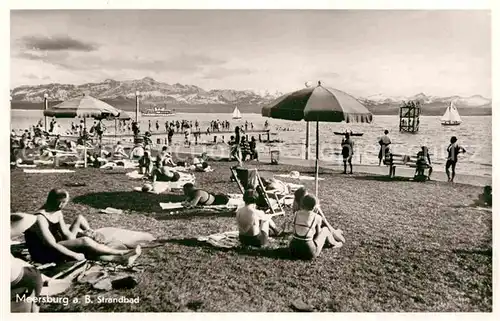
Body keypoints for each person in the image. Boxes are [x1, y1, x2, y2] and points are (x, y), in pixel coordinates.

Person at [23, 189, 141, 265]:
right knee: (85, 243)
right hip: (43, 253)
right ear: (60, 204)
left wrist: (84, 235)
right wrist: (74, 253)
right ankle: (121, 253)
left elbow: (67, 235)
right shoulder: (40, 218)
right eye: (66, 203)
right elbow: (51, 244)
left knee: (86, 247)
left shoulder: (57, 212)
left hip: (58, 245)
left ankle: (121, 259)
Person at [289, 194, 343, 260]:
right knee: (325, 230)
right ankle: (335, 243)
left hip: (293, 249)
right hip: (309, 251)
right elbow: (318, 234)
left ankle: (333, 239)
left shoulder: (296, 214)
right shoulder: (317, 217)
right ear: (314, 207)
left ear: (302, 204)